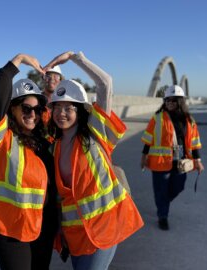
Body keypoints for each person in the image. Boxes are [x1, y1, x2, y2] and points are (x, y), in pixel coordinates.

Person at [45, 51, 144, 270]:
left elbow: (105, 83)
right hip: (76, 237)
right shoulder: (55, 146)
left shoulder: (96, 133)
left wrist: (75, 58)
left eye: (69, 107)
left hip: (105, 228)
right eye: (57, 107)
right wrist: (60, 232)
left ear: (80, 110)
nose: (61, 113)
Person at [0, 53, 58, 270]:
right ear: (12, 107)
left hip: (43, 225)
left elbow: (66, 110)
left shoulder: (43, 138)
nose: (33, 114)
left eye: (37, 109)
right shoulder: (1, 138)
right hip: (11, 229)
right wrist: (17, 61)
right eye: (26, 108)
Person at [140, 85, 204, 230]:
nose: (169, 103)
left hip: (181, 159)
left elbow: (195, 142)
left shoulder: (189, 120)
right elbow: (148, 140)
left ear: (180, 102)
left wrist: (198, 161)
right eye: (167, 100)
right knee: (161, 189)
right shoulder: (157, 118)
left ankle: (163, 202)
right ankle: (163, 216)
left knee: (178, 186)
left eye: (173, 100)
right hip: (160, 160)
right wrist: (144, 157)